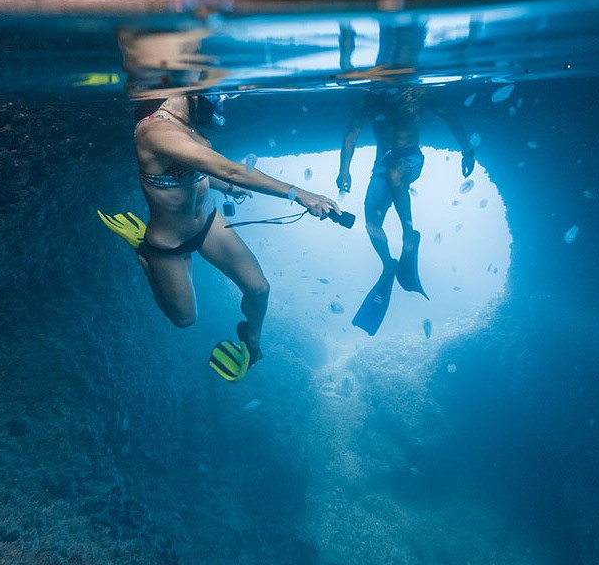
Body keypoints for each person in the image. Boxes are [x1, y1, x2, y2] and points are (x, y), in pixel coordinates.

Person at [99, 94, 339, 380]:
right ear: (191, 92)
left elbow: (194, 168)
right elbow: (228, 168)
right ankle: (144, 252)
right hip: (170, 244)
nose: (222, 102)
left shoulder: (186, 124)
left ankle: (251, 340)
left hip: (209, 223)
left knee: (259, 289)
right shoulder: (154, 131)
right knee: (184, 319)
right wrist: (298, 193)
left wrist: (225, 188)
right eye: (219, 96)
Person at [335, 22, 475, 334]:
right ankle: (388, 262)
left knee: (398, 174)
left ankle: (409, 234)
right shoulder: (369, 93)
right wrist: (344, 169)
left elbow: (450, 115)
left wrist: (468, 150)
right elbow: (351, 133)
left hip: (411, 158)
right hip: (381, 165)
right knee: (370, 218)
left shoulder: (417, 90)